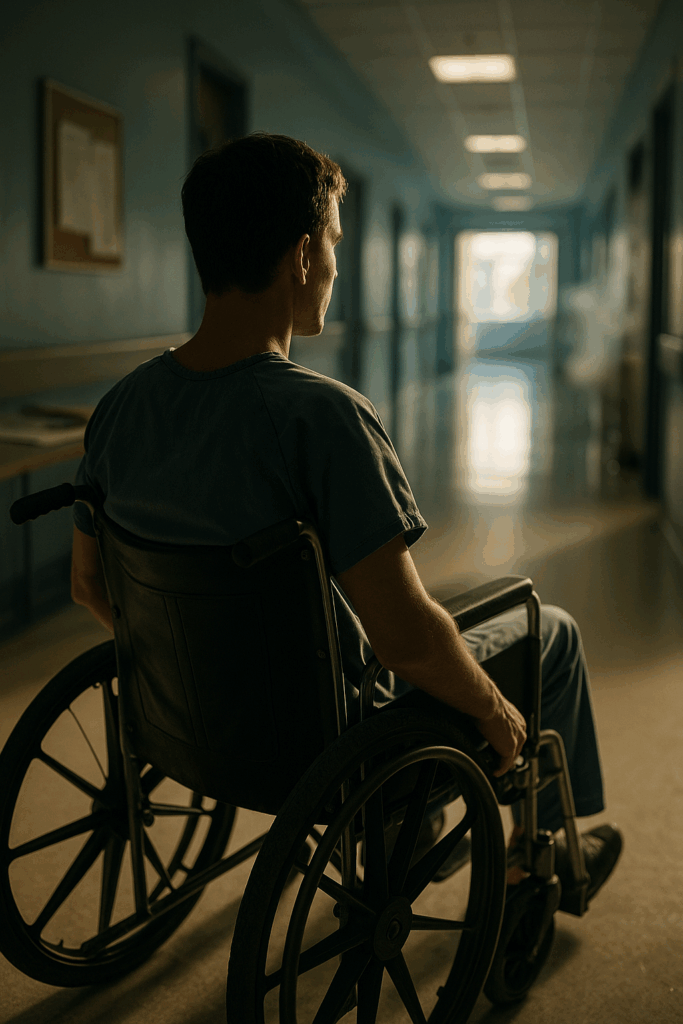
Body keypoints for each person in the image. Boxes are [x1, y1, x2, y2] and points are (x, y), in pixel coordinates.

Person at [70, 131, 622, 905]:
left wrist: (193, 664)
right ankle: (540, 861)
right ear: (301, 256)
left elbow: (92, 586)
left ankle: (419, 838)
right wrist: (495, 711)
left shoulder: (121, 407)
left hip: (185, 725)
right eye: (331, 243)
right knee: (546, 629)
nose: (333, 266)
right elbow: (400, 639)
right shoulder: (322, 419)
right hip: (328, 747)